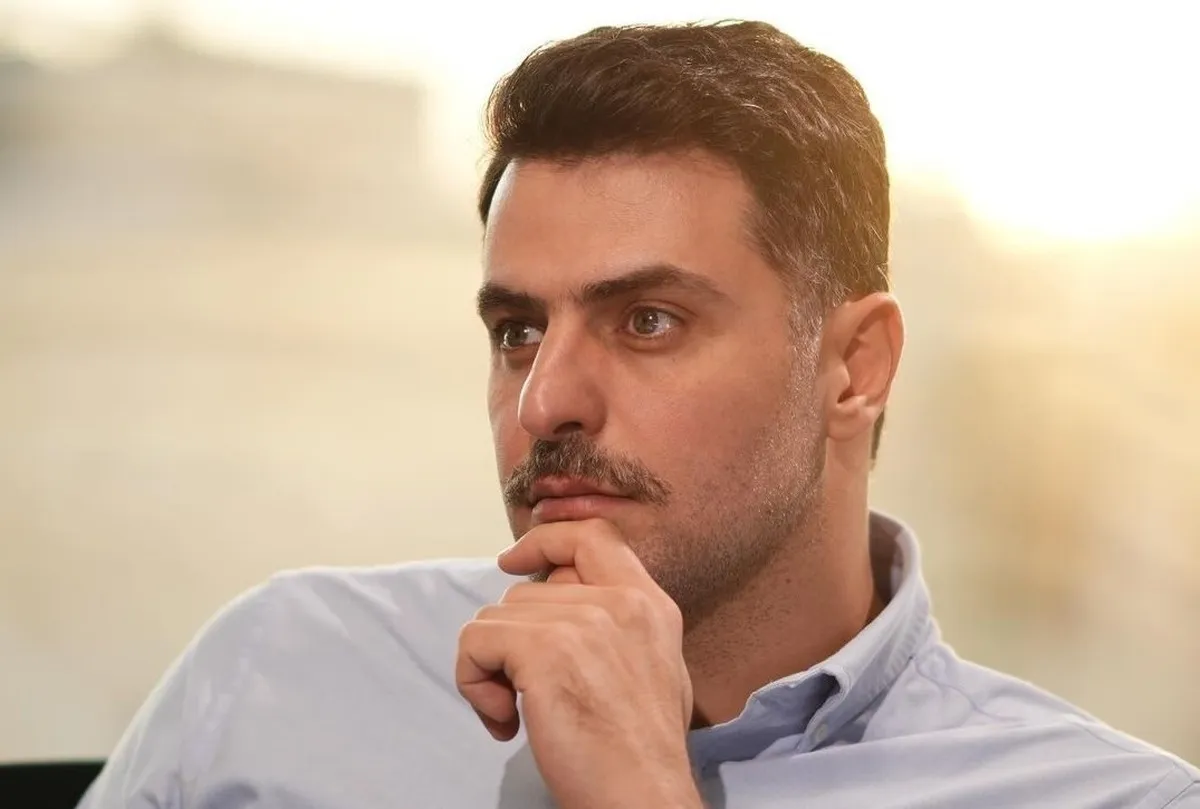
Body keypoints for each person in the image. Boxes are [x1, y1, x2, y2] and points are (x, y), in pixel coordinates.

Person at [80, 20, 1198, 809]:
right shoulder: (282, 670)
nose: (544, 400)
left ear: (855, 367)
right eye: (518, 328)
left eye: (648, 320)